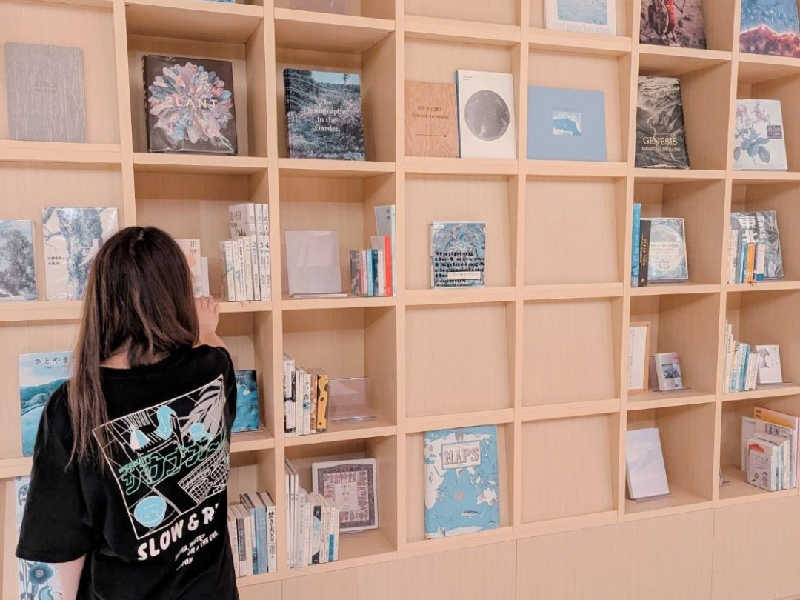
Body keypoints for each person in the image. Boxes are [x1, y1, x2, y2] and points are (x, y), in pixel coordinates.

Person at [16, 226, 238, 600]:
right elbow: (219, 353)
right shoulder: (212, 368)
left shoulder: (74, 406)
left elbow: (63, 551)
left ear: (101, 300)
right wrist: (206, 331)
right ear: (177, 295)